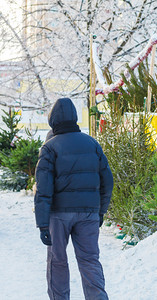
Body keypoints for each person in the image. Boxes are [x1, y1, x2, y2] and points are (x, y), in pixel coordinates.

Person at [34, 97, 114, 300]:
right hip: (88, 214)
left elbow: (43, 189)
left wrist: (43, 225)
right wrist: (101, 210)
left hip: (59, 215)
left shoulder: (50, 148)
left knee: (57, 262)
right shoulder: (92, 144)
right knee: (90, 261)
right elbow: (107, 180)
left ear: (53, 120)